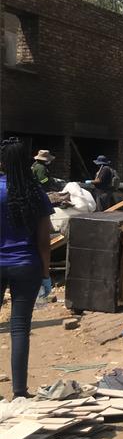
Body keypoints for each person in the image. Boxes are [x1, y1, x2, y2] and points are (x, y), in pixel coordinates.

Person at [0, 137, 54, 399]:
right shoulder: (35, 193)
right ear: (27, 163)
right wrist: (46, 274)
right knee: (20, 328)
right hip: (26, 265)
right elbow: (44, 241)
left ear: (1, 162)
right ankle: (20, 392)